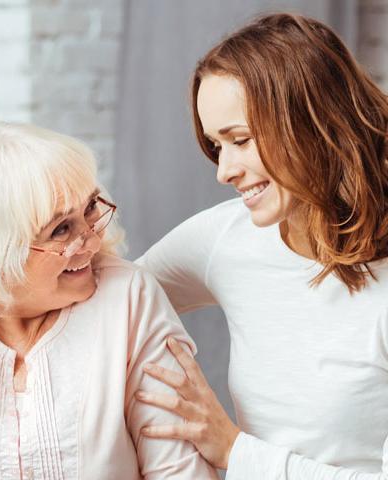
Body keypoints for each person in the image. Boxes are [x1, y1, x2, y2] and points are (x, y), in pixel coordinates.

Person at [135, 12, 388, 479]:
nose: (223, 170)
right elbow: (114, 302)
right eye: (216, 146)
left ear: (315, 122)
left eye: (241, 140)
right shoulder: (226, 239)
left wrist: (234, 451)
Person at [0, 123, 218, 479]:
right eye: (60, 229)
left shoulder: (129, 299)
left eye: (89, 210)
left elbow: (179, 472)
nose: (90, 240)